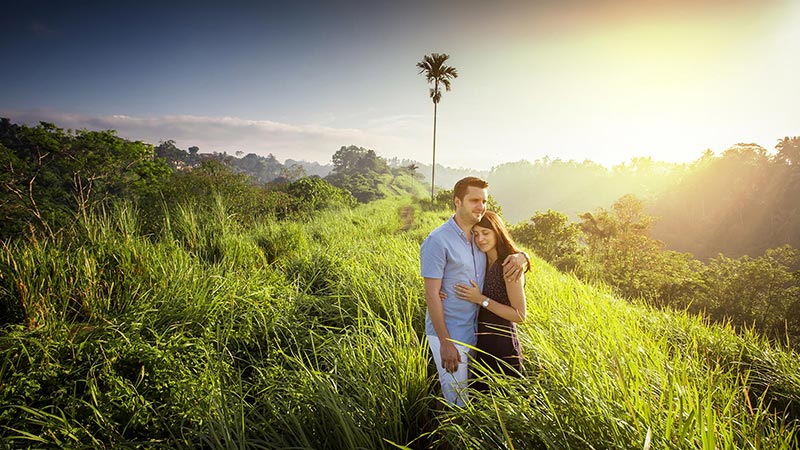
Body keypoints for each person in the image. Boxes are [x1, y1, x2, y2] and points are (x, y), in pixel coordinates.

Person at [420, 177, 528, 406]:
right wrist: (445, 343)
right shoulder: (437, 240)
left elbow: (505, 251)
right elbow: (431, 294)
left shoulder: (475, 239)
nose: (481, 206)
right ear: (457, 201)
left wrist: (524, 257)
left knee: (480, 403)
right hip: (452, 336)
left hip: (477, 337)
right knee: (457, 404)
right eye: (474, 200)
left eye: (484, 201)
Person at [454, 211, 526, 389]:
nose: (480, 239)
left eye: (486, 233)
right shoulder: (480, 259)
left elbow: (519, 315)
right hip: (480, 339)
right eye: (476, 234)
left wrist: (481, 299)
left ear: (497, 232)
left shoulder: (509, 265)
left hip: (502, 342)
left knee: (505, 399)